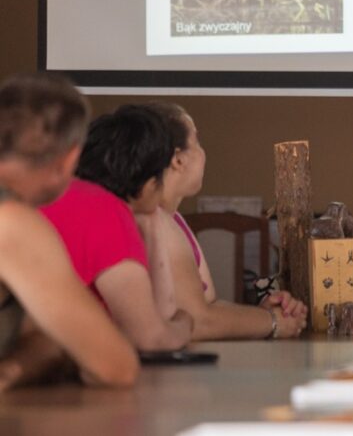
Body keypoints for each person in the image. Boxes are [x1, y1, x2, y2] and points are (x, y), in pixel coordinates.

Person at [0, 73, 138, 390]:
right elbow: (115, 366)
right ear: (70, 158)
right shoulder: (12, 223)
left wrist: (20, 366)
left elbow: (41, 335)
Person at [143, 102, 307, 340]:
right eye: (197, 142)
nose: (202, 152)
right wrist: (272, 322)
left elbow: (209, 305)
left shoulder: (176, 220)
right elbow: (198, 321)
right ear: (178, 160)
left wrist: (260, 316)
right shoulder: (155, 221)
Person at [43, 105, 193, 351]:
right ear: (149, 183)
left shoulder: (64, 196)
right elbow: (151, 338)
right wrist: (185, 323)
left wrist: (152, 222)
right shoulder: (106, 213)